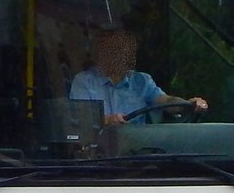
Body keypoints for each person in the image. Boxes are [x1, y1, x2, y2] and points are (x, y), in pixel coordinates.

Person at [69, 29, 208, 126]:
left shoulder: (142, 81)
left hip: (137, 153)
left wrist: (187, 104)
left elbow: (166, 101)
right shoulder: (84, 82)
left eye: (127, 50)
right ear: (102, 52)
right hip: (98, 155)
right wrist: (106, 121)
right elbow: (81, 120)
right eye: (116, 49)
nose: (123, 55)